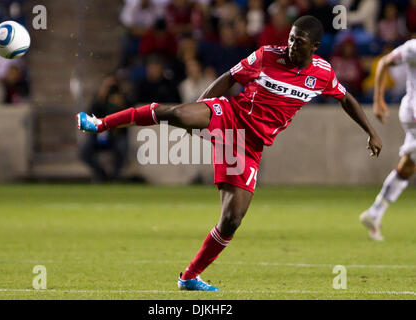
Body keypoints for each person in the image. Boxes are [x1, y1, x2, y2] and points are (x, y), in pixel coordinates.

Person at [77, 16, 382, 291]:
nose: (290, 45)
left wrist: (371, 132)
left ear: (313, 47)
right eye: (290, 37)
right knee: (178, 113)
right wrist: (202, 105)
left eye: (298, 42)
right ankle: (100, 123)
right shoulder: (266, 55)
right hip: (229, 116)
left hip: (249, 147)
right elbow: (229, 78)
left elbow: (347, 99)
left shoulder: (323, 74)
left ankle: (189, 277)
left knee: (232, 219)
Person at [360, 38, 416, 241]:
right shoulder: (413, 48)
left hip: (410, 114)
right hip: (414, 113)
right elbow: (384, 62)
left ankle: (375, 213)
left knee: (408, 165)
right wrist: (378, 100)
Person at [79, 76, 130, 183]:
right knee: (84, 151)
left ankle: (115, 177)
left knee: (122, 148)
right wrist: (100, 98)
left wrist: (121, 105)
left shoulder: (122, 99)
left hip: (116, 136)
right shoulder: (98, 100)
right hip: (98, 135)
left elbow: (129, 118)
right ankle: (101, 174)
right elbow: (90, 116)